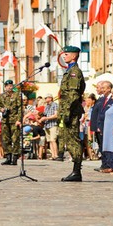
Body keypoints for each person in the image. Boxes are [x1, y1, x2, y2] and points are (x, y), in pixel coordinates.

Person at [59, 46, 87, 181]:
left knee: (73, 141)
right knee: (69, 140)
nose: (64, 56)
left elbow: (73, 95)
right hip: (68, 111)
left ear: (74, 56)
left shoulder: (74, 72)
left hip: (71, 112)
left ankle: (77, 171)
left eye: (66, 54)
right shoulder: (69, 71)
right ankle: (76, 171)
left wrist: (67, 112)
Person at [0, 80, 23, 166]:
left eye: (11, 86)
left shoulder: (17, 95)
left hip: (14, 120)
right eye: (8, 86)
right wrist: (1, 109)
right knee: (5, 139)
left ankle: (14, 158)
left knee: (15, 139)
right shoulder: (2, 96)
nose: (9, 87)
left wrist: (19, 120)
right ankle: (8, 157)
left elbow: (20, 108)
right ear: (5, 87)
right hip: (5, 120)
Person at [40, 94, 60, 160]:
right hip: (47, 125)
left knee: (53, 140)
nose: (45, 99)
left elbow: (56, 115)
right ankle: (53, 155)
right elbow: (45, 114)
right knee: (50, 141)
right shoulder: (46, 106)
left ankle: (56, 155)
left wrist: (46, 118)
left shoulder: (55, 105)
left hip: (53, 124)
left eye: (46, 98)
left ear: (50, 98)